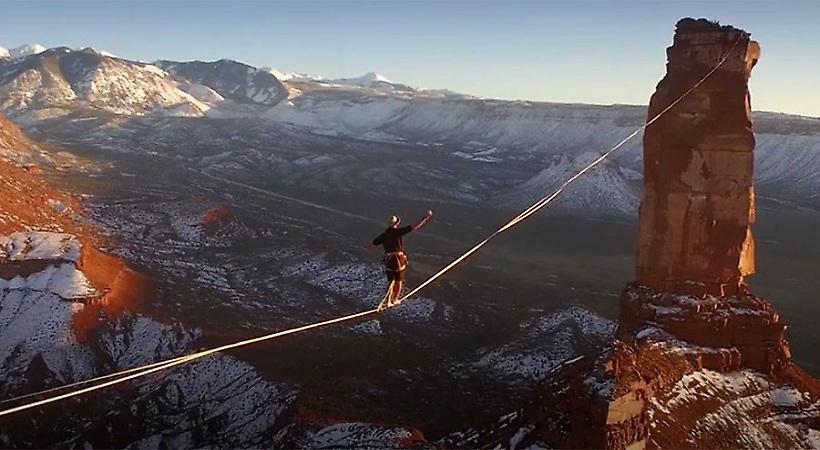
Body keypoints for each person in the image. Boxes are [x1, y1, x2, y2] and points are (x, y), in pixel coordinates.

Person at [372, 210, 433, 310]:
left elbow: (373, 243)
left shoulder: (384, 235)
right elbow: (415, 226)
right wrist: (425, 218)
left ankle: (388, 301)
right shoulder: (398, 232)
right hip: (397, 260)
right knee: (398, 281)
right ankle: (394, 300)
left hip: (388, 260)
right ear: (397, 223)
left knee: (391, 281)